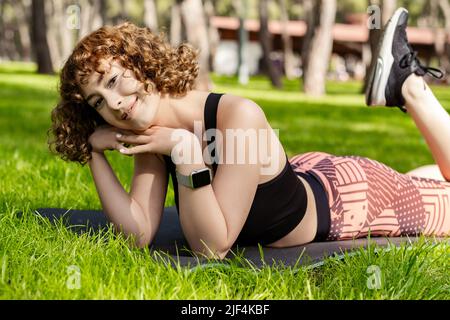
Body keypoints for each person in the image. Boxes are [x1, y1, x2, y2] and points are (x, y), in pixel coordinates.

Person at [48, 8, 449, 260]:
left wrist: (186, 150)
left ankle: (410, 87)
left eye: (116, 81)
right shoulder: (150, 131)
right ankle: (406, 90)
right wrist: (92, 152)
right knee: (432, 181)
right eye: (98, 102)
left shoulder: (239, 115)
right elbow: (137, 233)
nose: (115, 104)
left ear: (142, 63)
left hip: (355, 198)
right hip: (310, 172)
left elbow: (212, 246)